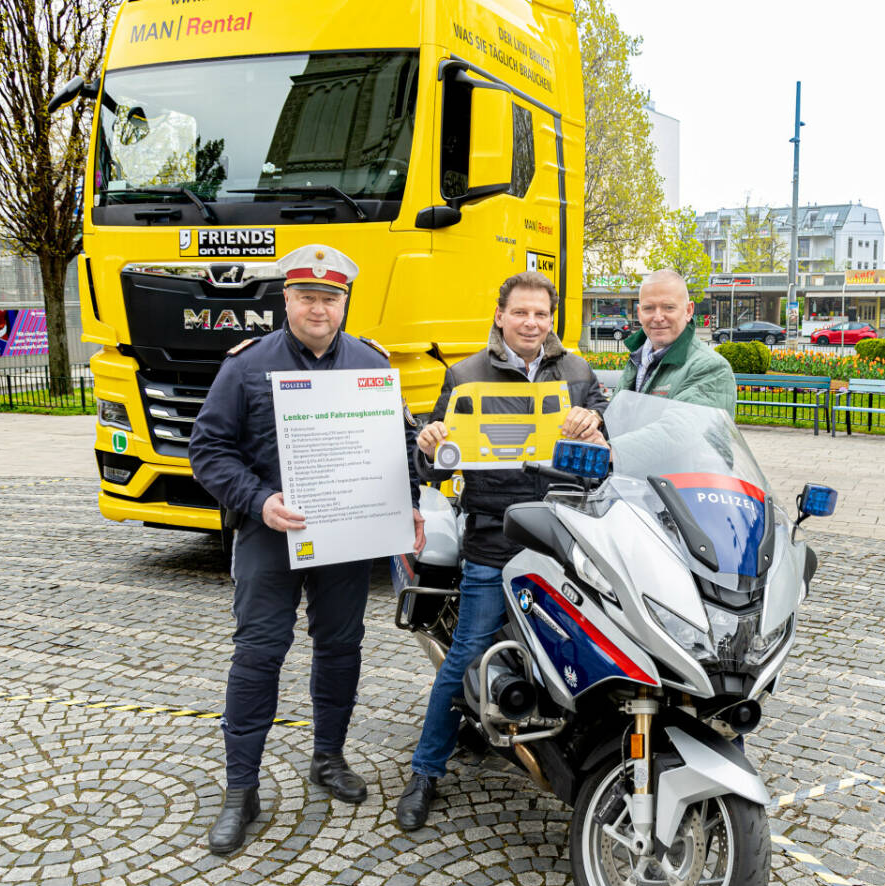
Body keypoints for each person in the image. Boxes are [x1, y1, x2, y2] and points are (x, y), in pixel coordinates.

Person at [190, 244, 425, 855]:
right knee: (258, 654)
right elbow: (208, 450)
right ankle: (240, 790)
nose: (319, 308)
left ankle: (328, 757)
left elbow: (398, 447)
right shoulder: (245, 367)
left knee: (341, 647)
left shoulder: (371, 362)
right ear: (286, 299)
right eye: (307, 297)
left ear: (345, 301)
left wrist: (411, 507)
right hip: (270, 534)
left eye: (331, 297)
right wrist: (259, 500)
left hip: (345, 537)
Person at [396, 270, 608, 831]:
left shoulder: (579, 373)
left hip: (564, 537)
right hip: (494, 536)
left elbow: (610, 452)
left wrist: (596, 423)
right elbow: (434, 464)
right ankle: (425, 771)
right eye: (521, 313)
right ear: (500, 315)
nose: (531, 323)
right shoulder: (464, 374)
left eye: (541, 314)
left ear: (551, 318)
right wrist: (428, 443)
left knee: (579, 652)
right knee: (467, 651)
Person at [619, 269, 736, 414]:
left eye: (669, 307)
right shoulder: (638, 359)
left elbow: (676, 431)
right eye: (648, 308)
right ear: (639, 313)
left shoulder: (713, 369)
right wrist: (596, 419)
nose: (658, 317)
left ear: (688, 311)